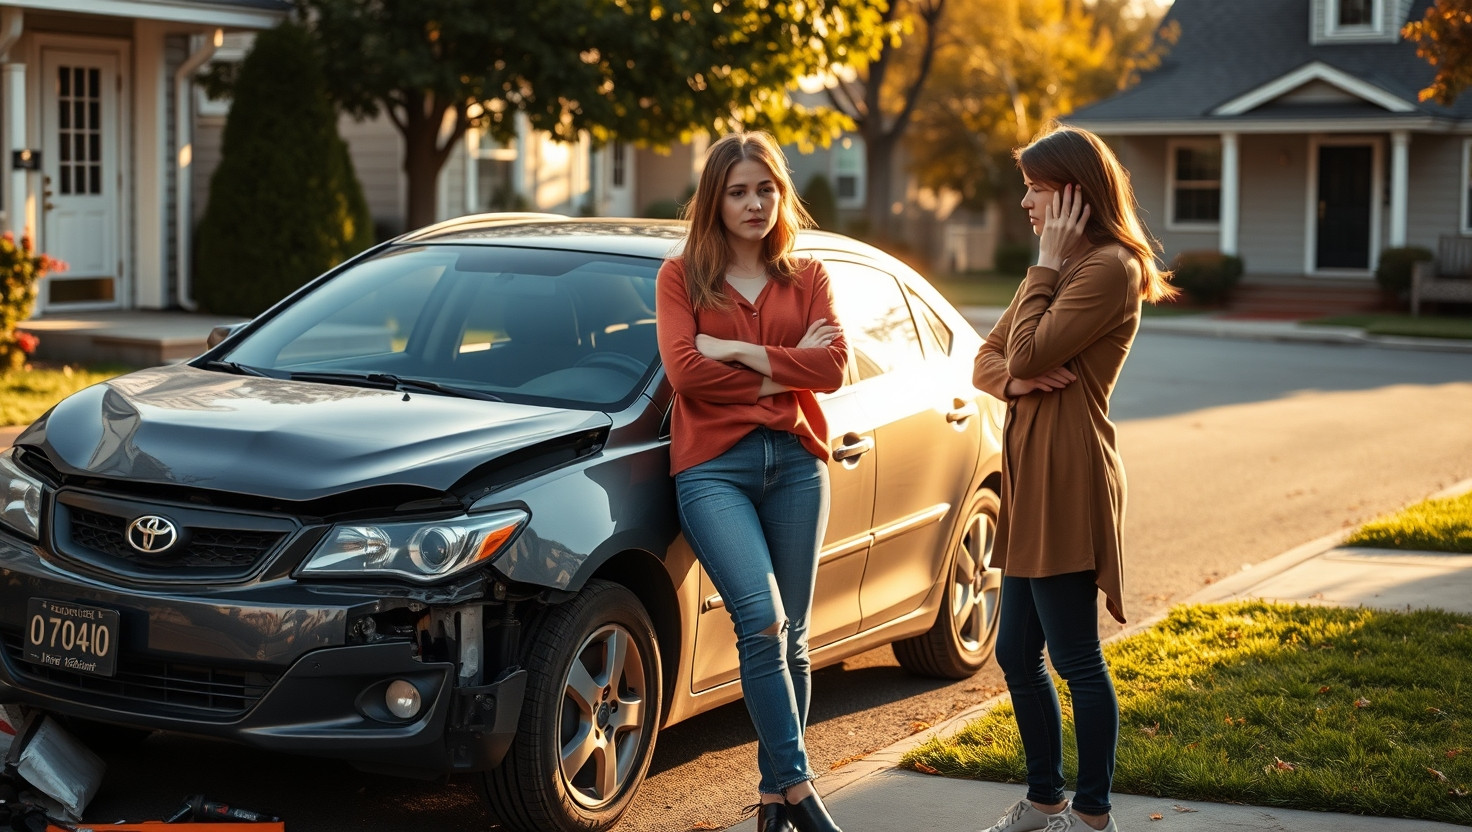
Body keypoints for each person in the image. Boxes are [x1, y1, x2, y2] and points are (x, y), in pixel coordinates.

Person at [971, 123, 1176, 832]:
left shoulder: (1108, 269)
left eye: (1034, 188)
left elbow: (1023, 350)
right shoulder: (1064, 269)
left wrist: (1044, 269)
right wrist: (1018, 382)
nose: (1025, 202)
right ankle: (1044, 800)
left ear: (1072, 193)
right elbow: (990, 359)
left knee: (1074, 658)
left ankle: (1091, 816)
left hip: (1068, 476)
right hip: (1032, 474)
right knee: (1015, 653)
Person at [655, 131, 849, 832]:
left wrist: (736, 350)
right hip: (713, 469)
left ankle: (773, 799)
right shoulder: (681, 278)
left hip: (796, 463)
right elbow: (684, 374)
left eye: (765, 188)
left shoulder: (810, 275)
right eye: (738, 191)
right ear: (715, 199)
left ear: (780, 193)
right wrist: (787, 361)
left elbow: (834, 369)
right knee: (761, 621)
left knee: (792, 635)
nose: (754, 202)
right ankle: (801, 791)